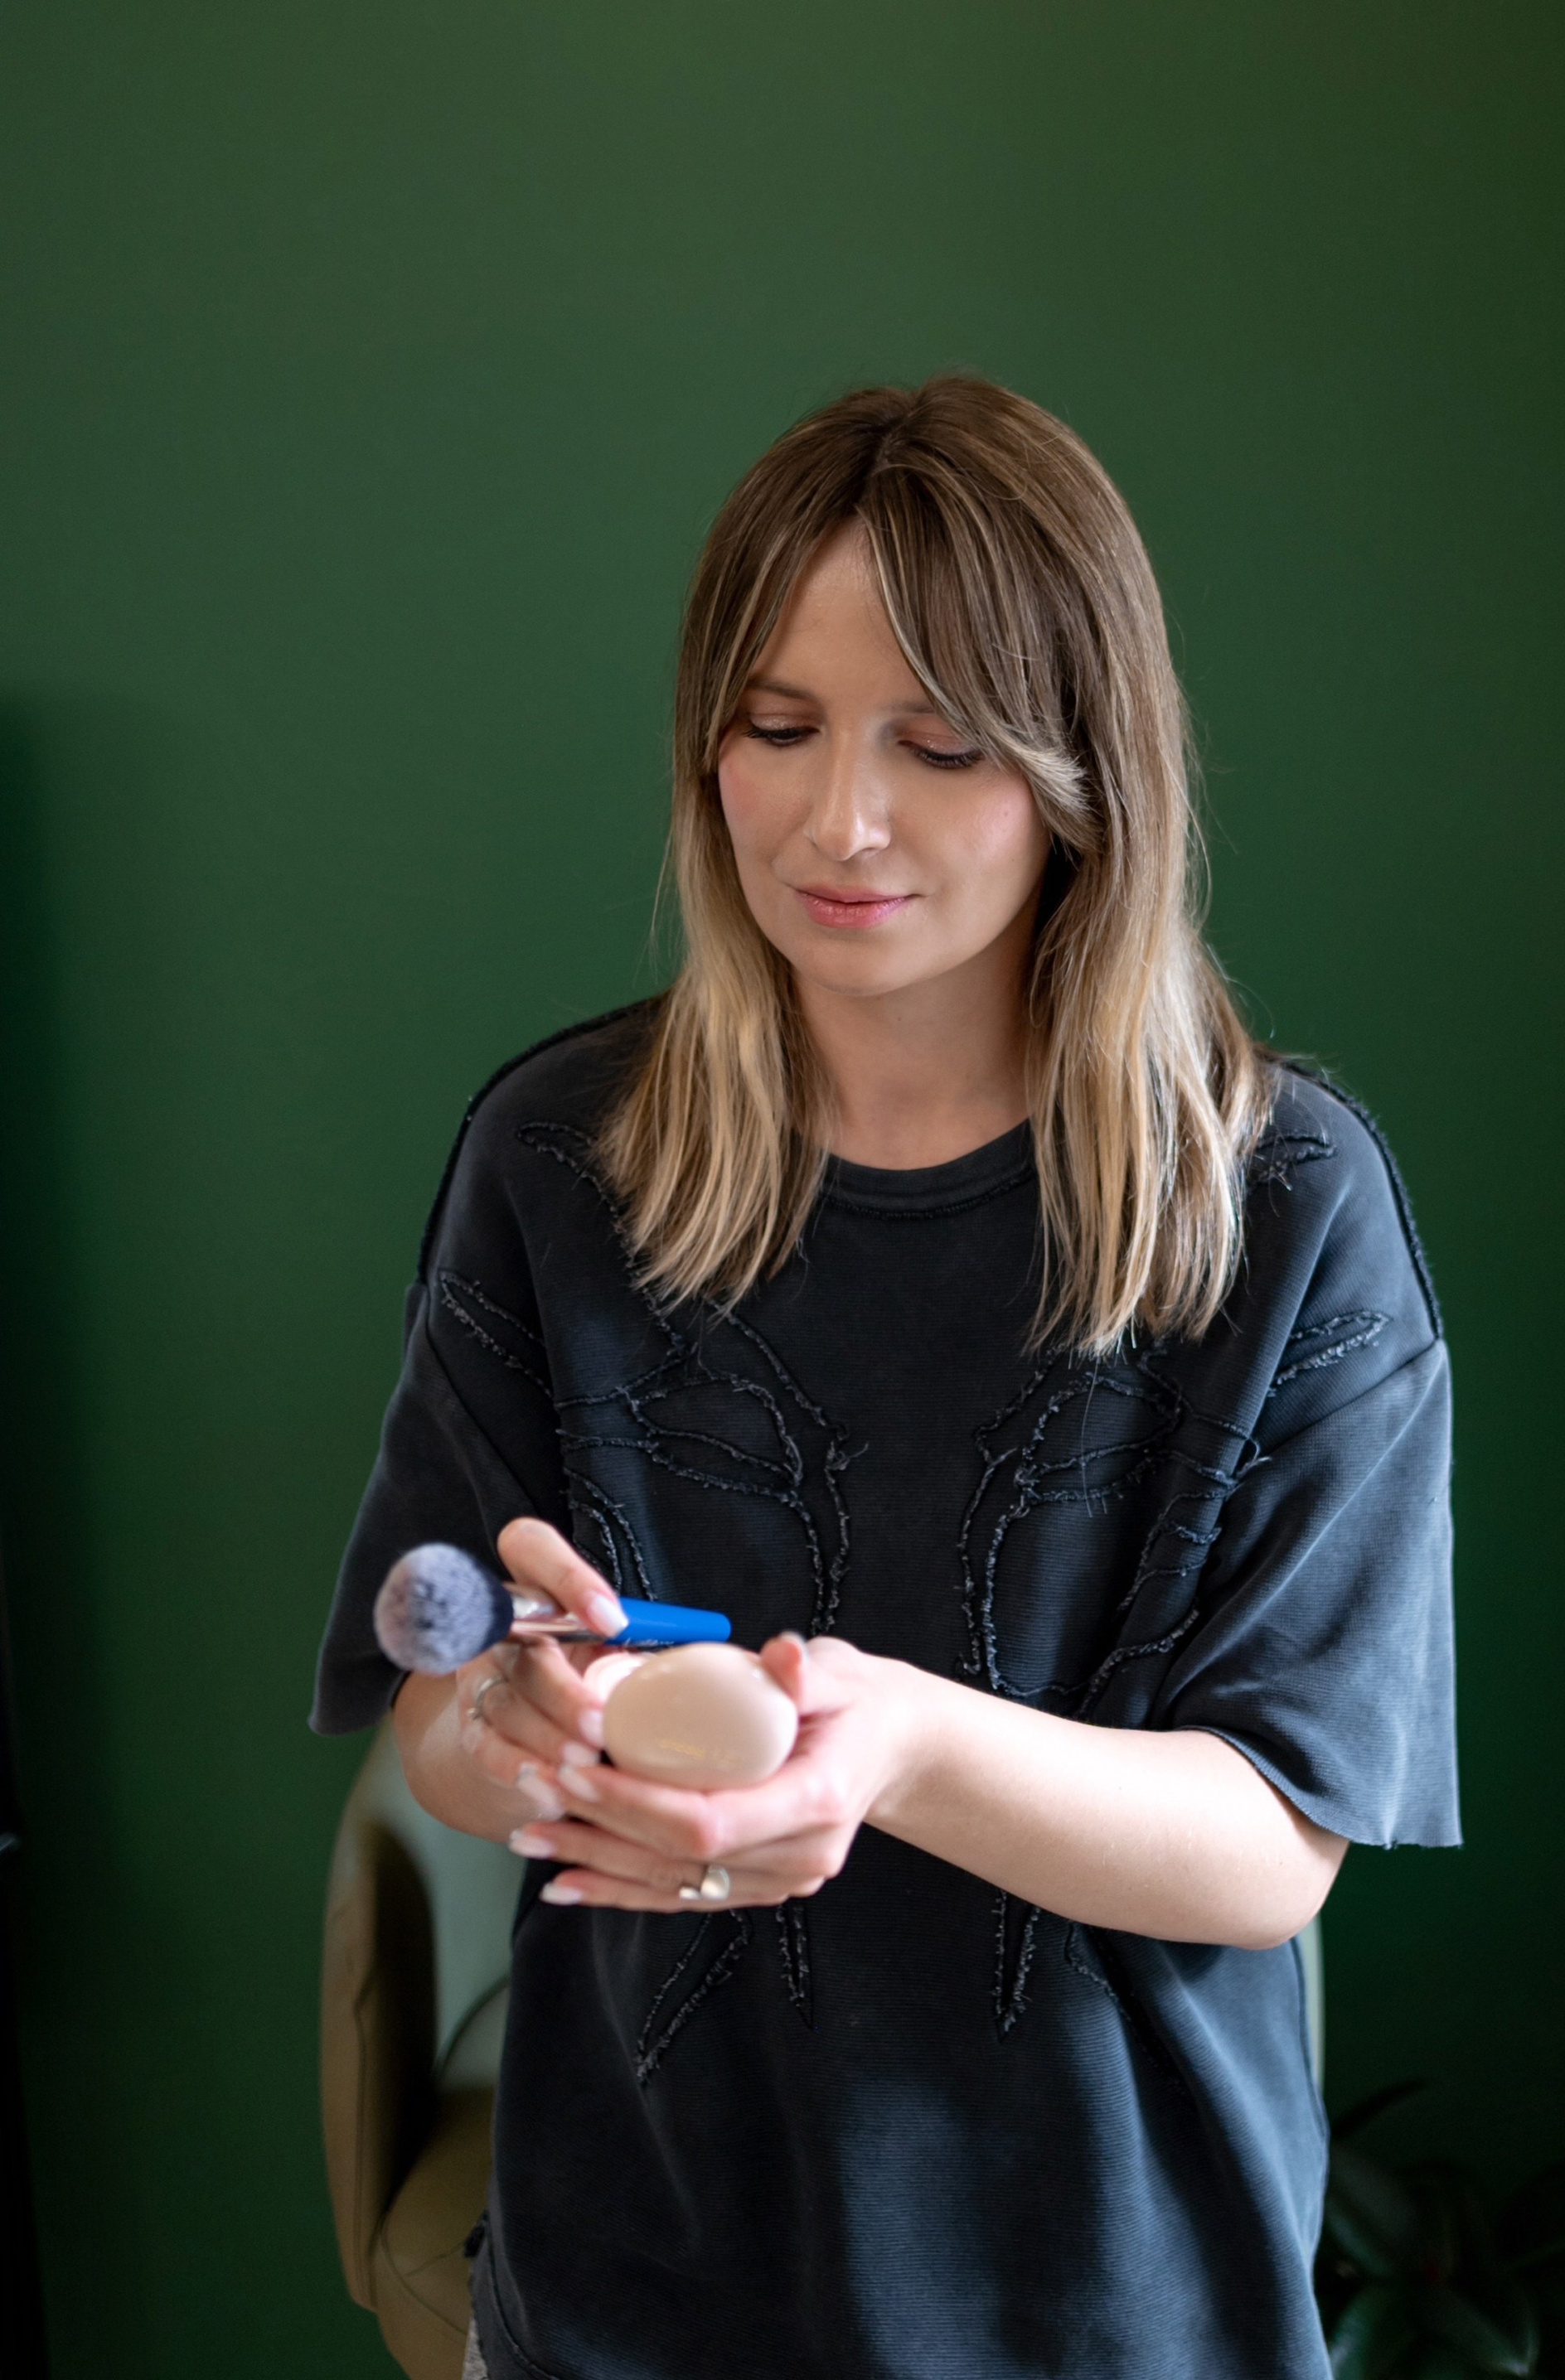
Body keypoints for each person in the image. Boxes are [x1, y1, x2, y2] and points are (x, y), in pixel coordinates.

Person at [313, 376, 1457, 2380]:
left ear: (1086, 771)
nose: (841, 818)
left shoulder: (1281, 1206)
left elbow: (1271, 1844)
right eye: (778, 727)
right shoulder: (556, 1160)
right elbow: (442, 1706)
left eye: (941, 743)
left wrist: (897, 1746)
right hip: (623, 2293)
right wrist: (519, 1730)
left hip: (1115, 2311)